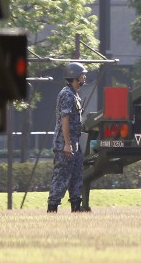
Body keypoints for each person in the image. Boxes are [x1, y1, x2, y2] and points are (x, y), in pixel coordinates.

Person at [48, 62, 88, 213]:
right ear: (75, 77)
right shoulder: (66, 94)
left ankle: (76, 209)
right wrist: (67, 143)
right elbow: (64, 119)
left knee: (77, 177)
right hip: (65, 143)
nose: (84, 78)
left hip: (74, 142)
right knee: (61, 177)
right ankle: (52, 208)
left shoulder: (74, 94)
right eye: (82, 75)